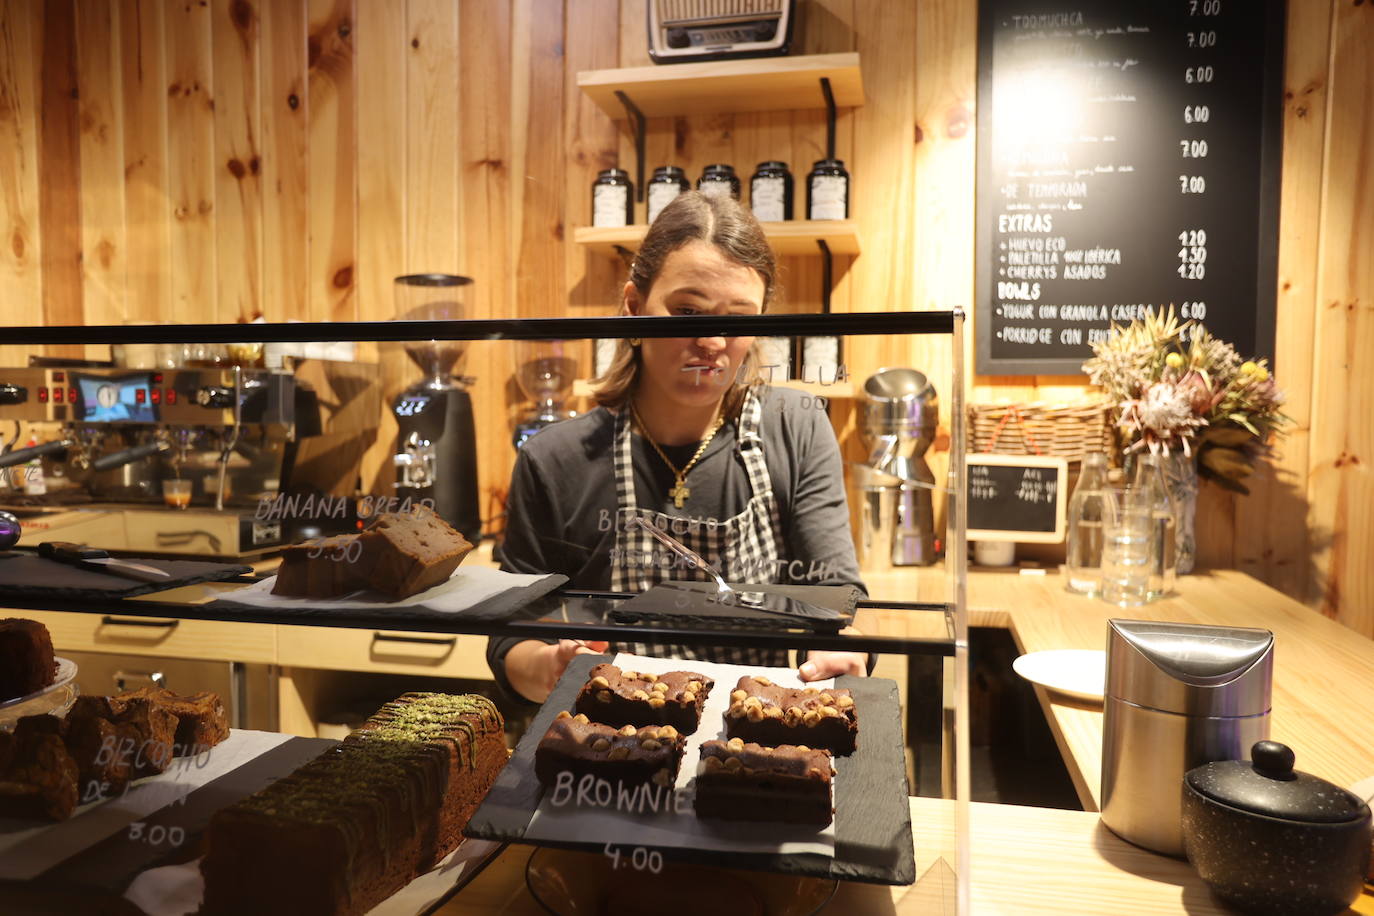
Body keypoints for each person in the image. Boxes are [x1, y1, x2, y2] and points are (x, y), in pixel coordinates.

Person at [487, 191, 868, 703]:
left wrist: (839, 651)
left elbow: (834, 598)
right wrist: (553, 665)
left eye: (739, 316)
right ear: (633, 306)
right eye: (688, 310)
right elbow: (512, 636)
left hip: (754, 736)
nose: (712, 340)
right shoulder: (555, 459)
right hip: (608, 742)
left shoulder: (796, 428)